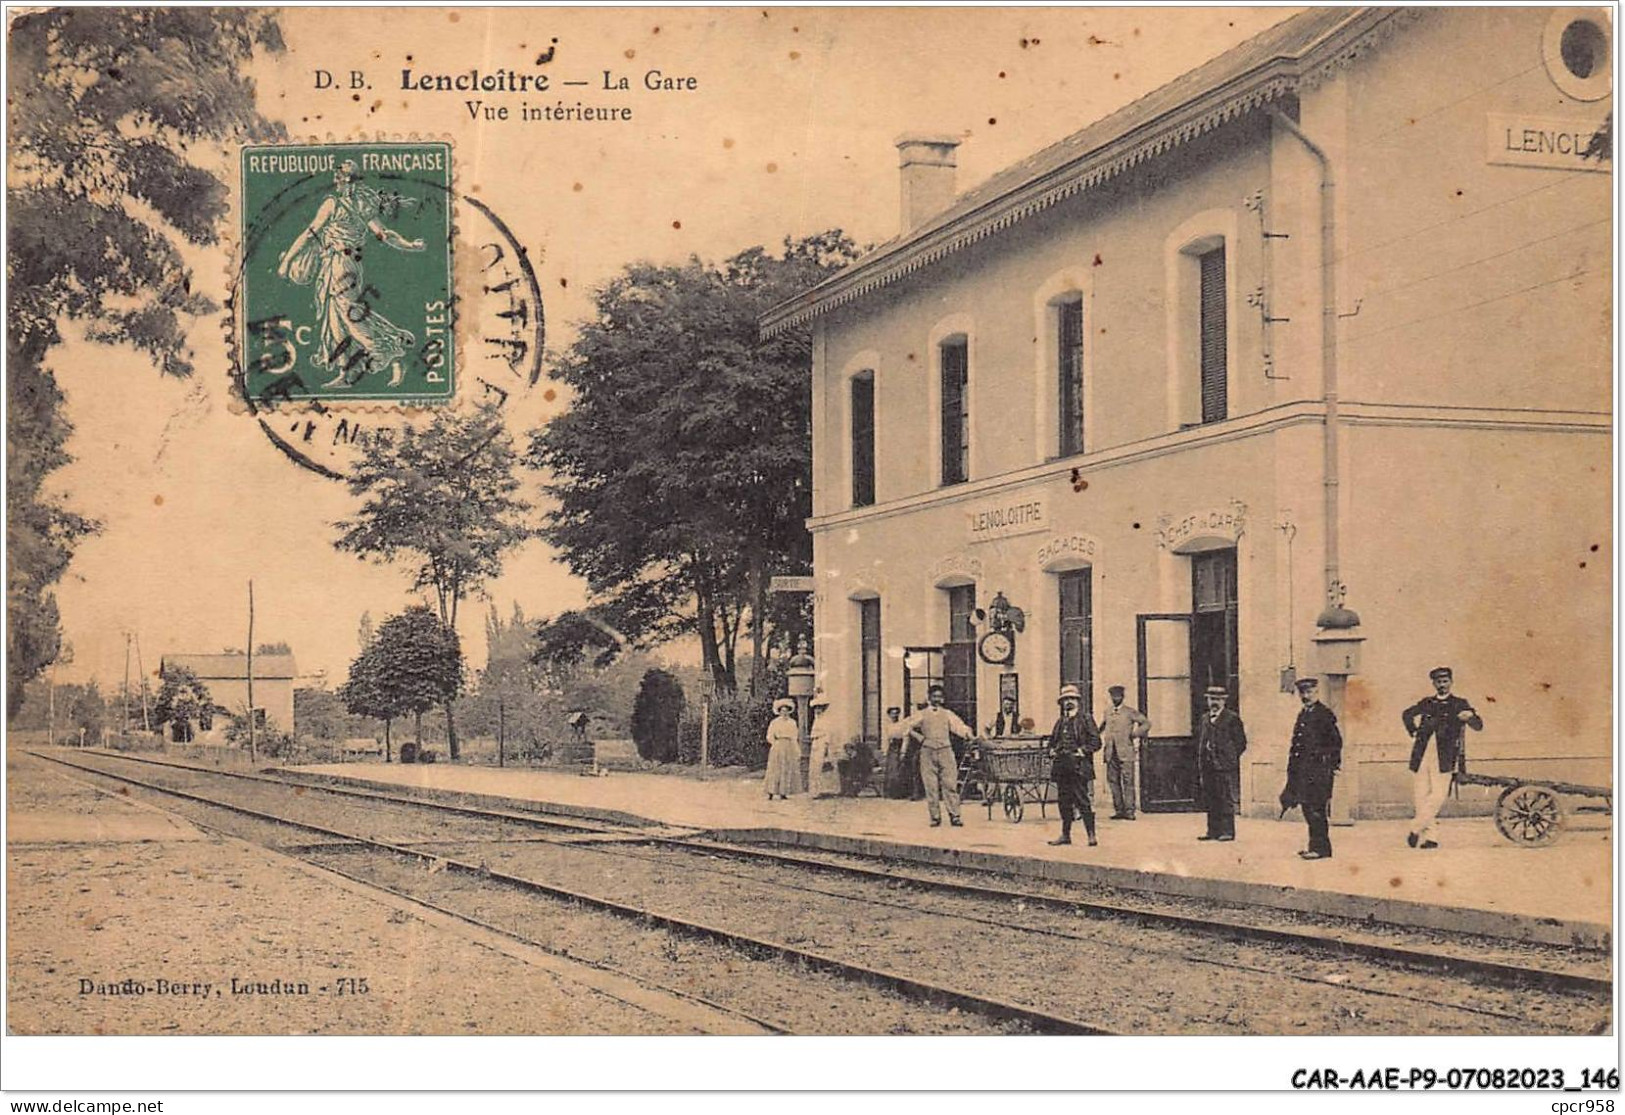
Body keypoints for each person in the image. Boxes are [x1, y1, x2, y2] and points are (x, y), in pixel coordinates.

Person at [276, 160, 425, 388]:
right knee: (336, 320)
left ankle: (386, 350)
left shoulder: (334, 204)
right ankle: (347, 372)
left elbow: (309, 234)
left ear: (348, 181)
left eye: (340, 178)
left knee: (349, 315)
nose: (336, 181)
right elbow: (385, 234)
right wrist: (410, 245)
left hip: (341, 265)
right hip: (339, 264)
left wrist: (287, 261)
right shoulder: (361, 205)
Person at [1402, 666, 1483, 850]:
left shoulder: (1459, 703)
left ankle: (1416, 827)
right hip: (1422, 754)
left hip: (1444, 756)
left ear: (1451, 682)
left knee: (1438, 795)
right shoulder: (1427, 702)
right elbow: (1407, 714)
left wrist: (1470, 717)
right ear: (1434, 683)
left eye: (1445, 681)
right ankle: (1431, 838)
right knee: (1421, 796)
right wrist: (1413, 730)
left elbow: (1478, 725)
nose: (1442, 685)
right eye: (1438, 682)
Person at [1280, 677, 1342, 859]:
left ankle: (1321, 849)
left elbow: (1336, 743)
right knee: (1308, 808)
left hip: (1318, 772)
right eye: (1303, 693)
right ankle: (1314, 846)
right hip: (1304, 771)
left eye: (1309, 692)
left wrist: (1327, 763)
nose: (1305, 696)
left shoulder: (1324, 715)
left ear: (1316, 692)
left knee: (1316, 809)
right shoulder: (1304, 714)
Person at [903, 685, 972, 827]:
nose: (937, 699)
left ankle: (955, 816)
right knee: (931, 786)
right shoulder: (921, 714)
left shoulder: (947, 714)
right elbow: (906, 727)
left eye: (939, 697)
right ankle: (935, 817)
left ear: (943, 698)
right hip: (927, 752)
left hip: (945, 751)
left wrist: (967, 734)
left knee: (950, 784)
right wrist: (919, 737)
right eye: (934, 696)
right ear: (929, 698)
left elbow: (958, 727)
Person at [1046, 684, 1102, 847]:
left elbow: (1096, 741)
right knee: (1063, 802)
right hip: (1062, 766)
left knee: (1082, 800)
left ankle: (1091, 835)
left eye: (1071, 699)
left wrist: (1082, 751)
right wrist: (1051, 751)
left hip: (1078, 766)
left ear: (1078, 701)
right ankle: (1065, 835)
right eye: (1065, 700)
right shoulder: (1060, 721)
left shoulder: (1086, 719)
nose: (1068, 702)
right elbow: (1052, 742)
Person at [1195, 685, 1247, 841]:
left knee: (1225, 798)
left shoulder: (1232, 718)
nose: (1214, 702)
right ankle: (1212, 831)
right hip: (1208, 765)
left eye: (1218, 699)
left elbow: (1241, 743)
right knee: (1211, 798)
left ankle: (1227, 832)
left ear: (1224, 701)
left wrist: (1229, 758)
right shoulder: (1205, 719)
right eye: (1211, 699)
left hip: (1224, 766)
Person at [1098, 684, 1150, 820]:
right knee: (1113, 782)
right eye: (1113, 696)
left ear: (1123, 697)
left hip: (1126, 752)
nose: (1115, 698)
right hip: (1110, 752)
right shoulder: (1108, 712)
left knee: (1128, 782)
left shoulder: (1129, 712)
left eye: (1118, 696)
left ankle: (1130, 811)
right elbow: (1102, 726)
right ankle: (1119, 810)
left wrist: (1135, 734)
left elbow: (1146, 723)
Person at [763, 698, 800, 800]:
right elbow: (769, 735)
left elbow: (794, 736)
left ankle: (783, 792)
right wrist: (775, 743)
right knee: (775, 768)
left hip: (788, 746)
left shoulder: (792, 723)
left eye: (786, 711)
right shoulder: (775, 722)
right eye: (782, 711)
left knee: (786, 768)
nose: (784, 713)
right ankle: (771, 791)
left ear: (789, 711)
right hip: (778, 745)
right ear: (779, 712)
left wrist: (795, 748)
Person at [805, 695, 841, 798]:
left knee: (826, 767)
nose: (818, 710)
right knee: (816, 768)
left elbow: (828, 733)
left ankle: (829, 790)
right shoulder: (816, 720)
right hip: (816, 745)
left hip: (824, 745)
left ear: (823, 709)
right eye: (816, 708)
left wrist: (826, 747)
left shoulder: (827, 720)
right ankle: (817, 791)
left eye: (820, 708)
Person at [882, 707, 910, 799]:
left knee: (898, 770)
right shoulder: (888, 726)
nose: (894, 715)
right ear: (889, 715)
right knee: (890, 770)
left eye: (896, 713)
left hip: (899, 747)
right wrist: (885, 750)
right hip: (891, 748)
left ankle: (898, 793)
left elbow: (905, 738)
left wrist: (903, 751)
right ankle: (889, 793)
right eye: (892, 713)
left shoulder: (902, 724)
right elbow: (886, 739)